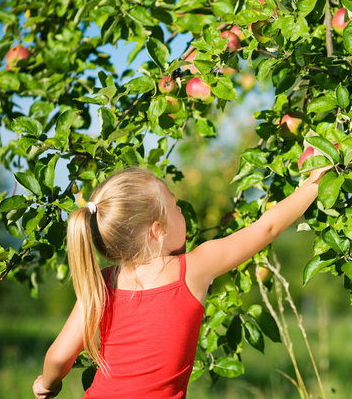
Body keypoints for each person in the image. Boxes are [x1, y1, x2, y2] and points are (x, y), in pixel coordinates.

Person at [32, 165, 327, 398]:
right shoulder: (193, 269)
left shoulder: (101, 284)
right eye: (175, 207)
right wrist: (314, 182)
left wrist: (48, 384)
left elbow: (58, 357)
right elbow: (268, 228)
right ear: (157, 230)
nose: (182, 211)